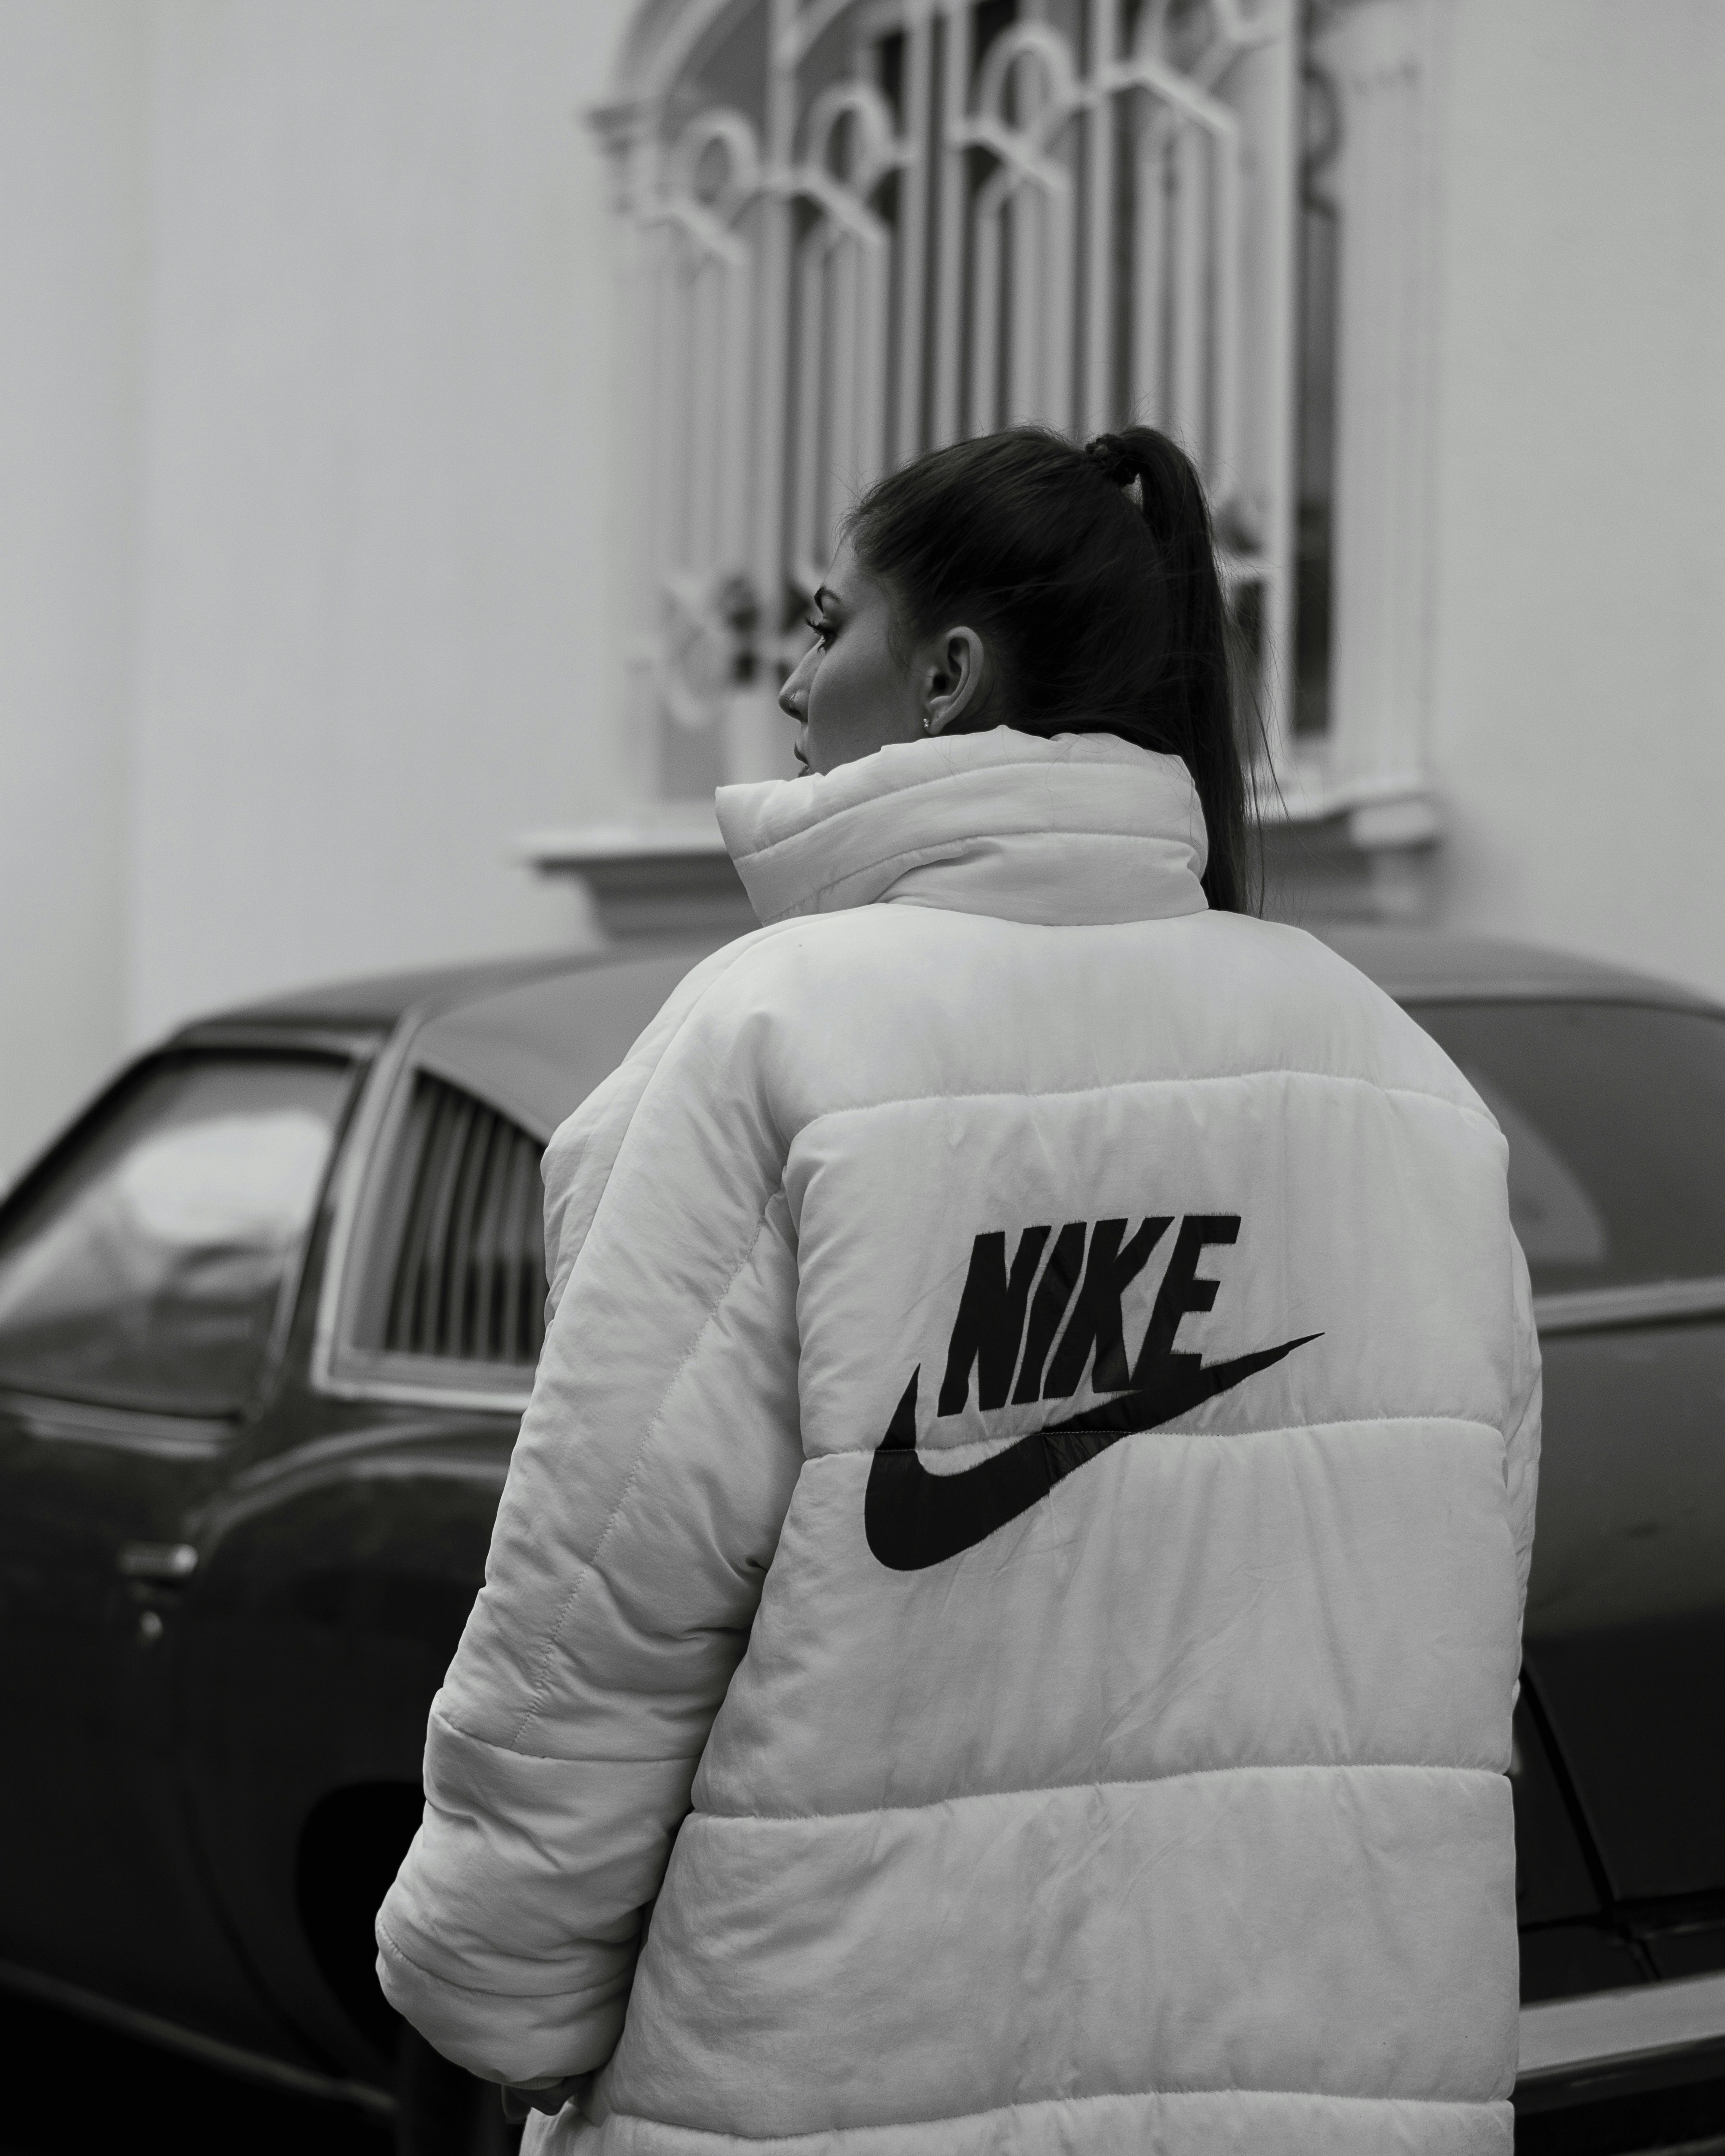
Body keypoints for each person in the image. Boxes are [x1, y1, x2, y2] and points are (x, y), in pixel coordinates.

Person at [376, 425, 1540, 2154]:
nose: (788, 682)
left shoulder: (773, 1034)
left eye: (825, 624)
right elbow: (1461, 1611)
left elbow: (608, 1596)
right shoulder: (1401, 1082)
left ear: (945, 675)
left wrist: (502, 1983)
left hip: (839, 2070)